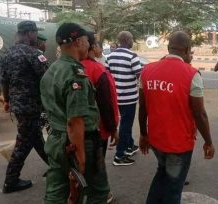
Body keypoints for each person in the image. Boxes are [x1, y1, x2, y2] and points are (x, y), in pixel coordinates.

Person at [139, 31, 215, 204]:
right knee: (174, 188)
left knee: (162, 173)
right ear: (188, 50)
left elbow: (143, 107)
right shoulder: (192, 74)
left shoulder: (147, 71)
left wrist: (143, 134)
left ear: (168, 48)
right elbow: (199, 113)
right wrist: (208, 142)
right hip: (178, 144)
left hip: (156, 140)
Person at [41, 23, 110, 203]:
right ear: (78, 41)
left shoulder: (52, 70)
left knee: (56, 192)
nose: (89, 45)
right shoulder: (75, 74)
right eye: (87, 41)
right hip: (79, 140)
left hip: (56, 140)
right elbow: (74, 120)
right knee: (99, 191)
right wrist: (80, 154)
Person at [1, 21, 49, 193]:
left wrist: (7, 100)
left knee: (35, 137)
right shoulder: (34, 53)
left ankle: (56, 167)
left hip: (18, 105)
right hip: (32, 106)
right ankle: (11, 180)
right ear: (29, 33)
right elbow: (47, 79)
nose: (36, 36)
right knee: (23, 142)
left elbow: (4, 81)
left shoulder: (8, 54)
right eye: (35, 32)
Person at [82, 32, 119, 203]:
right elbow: (105, 103)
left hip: (76, 128)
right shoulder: (97, 70)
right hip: (97, 128)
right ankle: (99, 194)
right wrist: (113, 129)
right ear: (91, 47)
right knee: (97, 163)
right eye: (98, 45)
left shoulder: (71, 67)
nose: (100, 48)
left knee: (83, 162)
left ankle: (83, 191)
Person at [106, 31, 142, 166]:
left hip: (116, 97)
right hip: (129, 98)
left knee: (125, 123)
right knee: (126, 125)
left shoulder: (110, 56)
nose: (133, 41)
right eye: (132, 39)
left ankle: (129, 146)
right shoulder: (132, 56)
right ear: (127, 40)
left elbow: (108, 76)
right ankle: (119, 155)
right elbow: (140, 76)